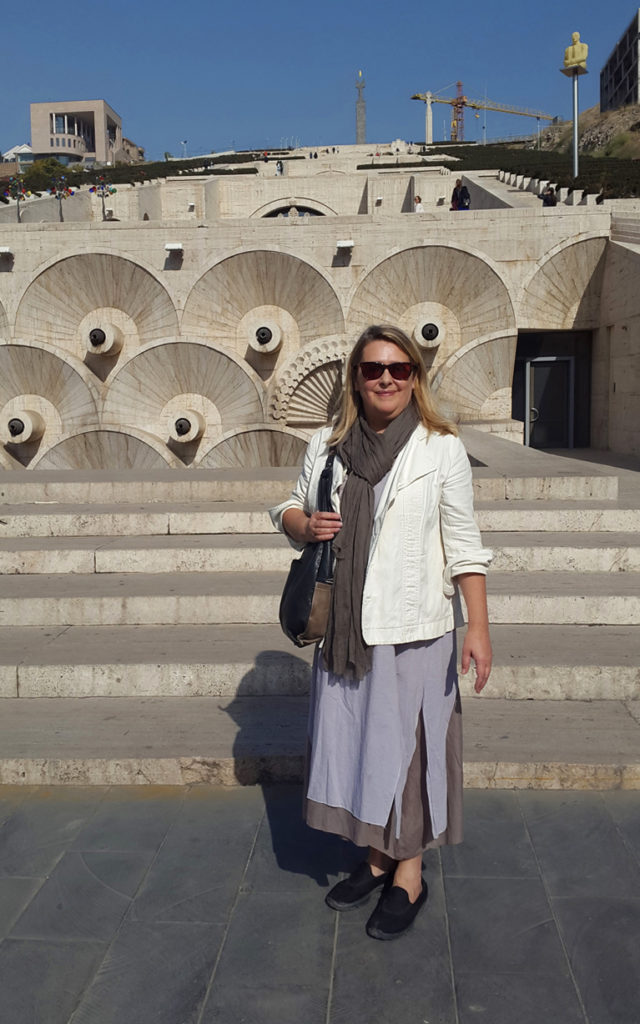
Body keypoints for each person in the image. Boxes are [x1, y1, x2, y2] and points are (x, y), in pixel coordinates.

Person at [270, 325, 492, 941]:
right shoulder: (328, 444)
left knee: (413, 750)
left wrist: (478, 625)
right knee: (365, 745)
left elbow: (464, 544)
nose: (386, 378)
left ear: (415, 376)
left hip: (416, 627)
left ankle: (409, 875)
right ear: (356, 379)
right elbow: (285, 507)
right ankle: (374, 858)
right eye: (373, 369)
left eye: (398, 367)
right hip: (346, 626)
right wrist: (303, 522)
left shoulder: (439, 448)